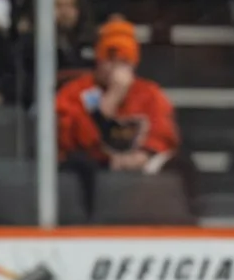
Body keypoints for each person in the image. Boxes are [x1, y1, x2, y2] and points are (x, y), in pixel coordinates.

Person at [56, 18, 179, 175]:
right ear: (98, 59)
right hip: (91, 167)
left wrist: (144, 154)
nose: (116, 68)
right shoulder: (75, 92)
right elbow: (75, 141)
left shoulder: (149, 93)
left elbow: (163, 135)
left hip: (142, 169)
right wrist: (112, 98)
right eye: (111, 61)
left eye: (124, 62)